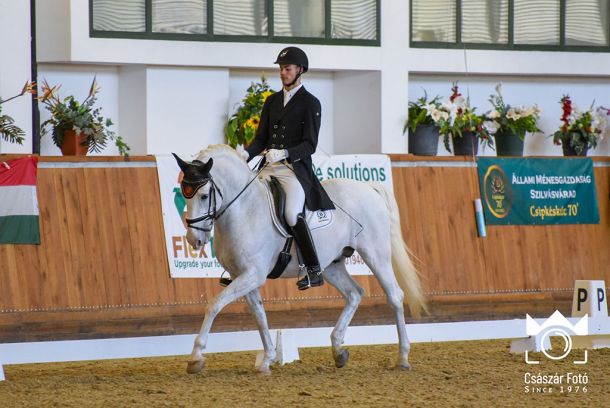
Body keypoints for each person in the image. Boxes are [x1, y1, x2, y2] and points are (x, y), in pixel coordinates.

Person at [238, 46, 335, 290]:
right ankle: (236, 263)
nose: (283, 72)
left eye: (287, 68)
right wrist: (244, 153)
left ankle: (313, 269)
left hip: (293, 170)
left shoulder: (310, 103)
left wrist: (285, 152)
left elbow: (310, 145)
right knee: (244, 200)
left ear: (300, 70)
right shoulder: (271, 101)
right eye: (281, 69)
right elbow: (261, 138)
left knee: (292, 213)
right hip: (268, 167)